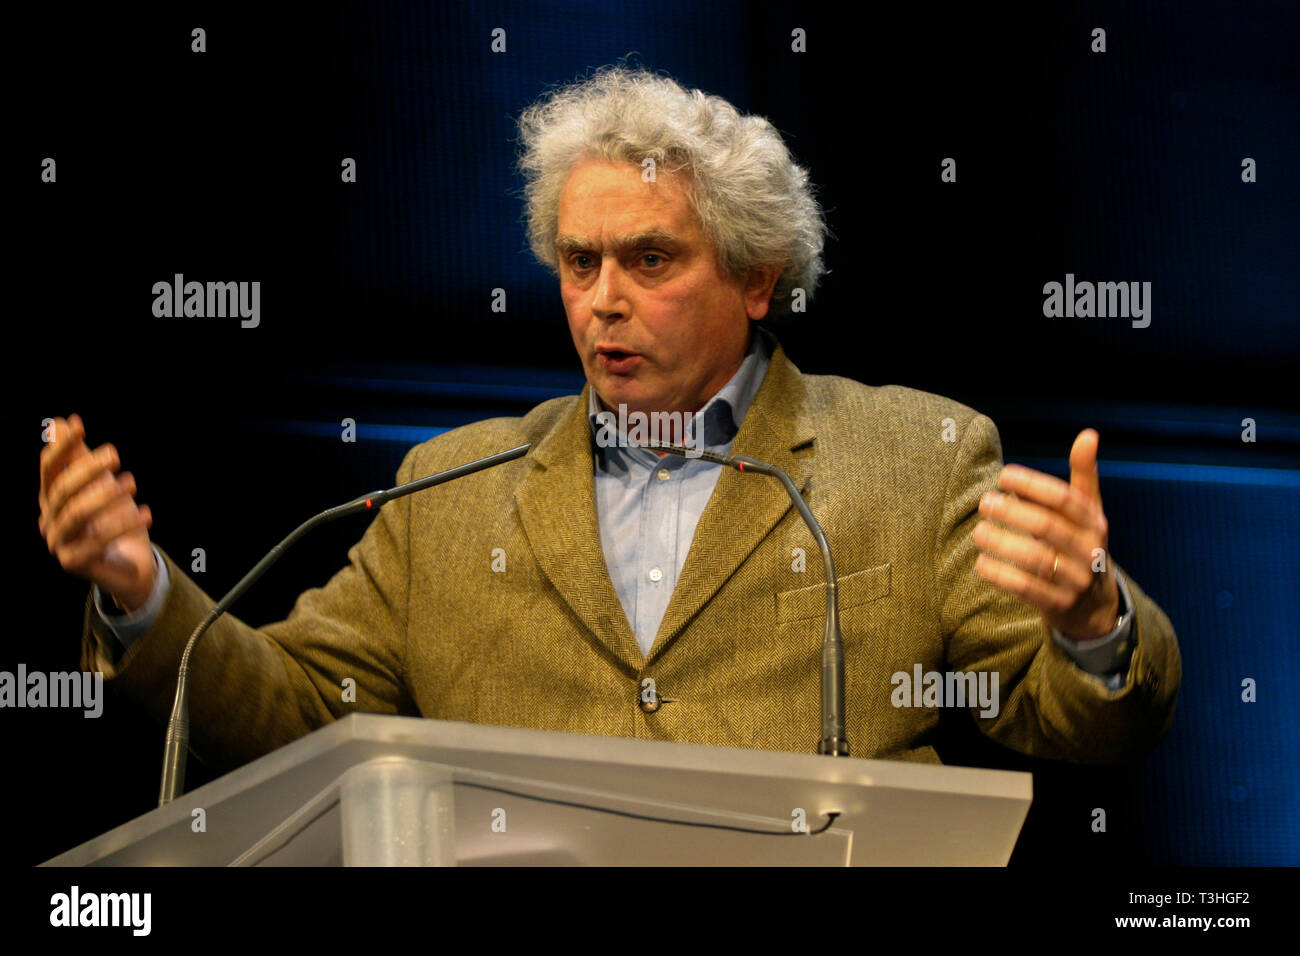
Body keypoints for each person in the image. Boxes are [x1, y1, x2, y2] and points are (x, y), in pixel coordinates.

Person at [39, 67, 1179, 774]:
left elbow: (1080, 719)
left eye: (649, 257)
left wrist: (1091, 621)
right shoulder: (452, 487)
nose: (603, 298)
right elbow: (289, 705)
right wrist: (141, 589)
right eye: (578, 262)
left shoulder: (913, 461)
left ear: (755, 275)